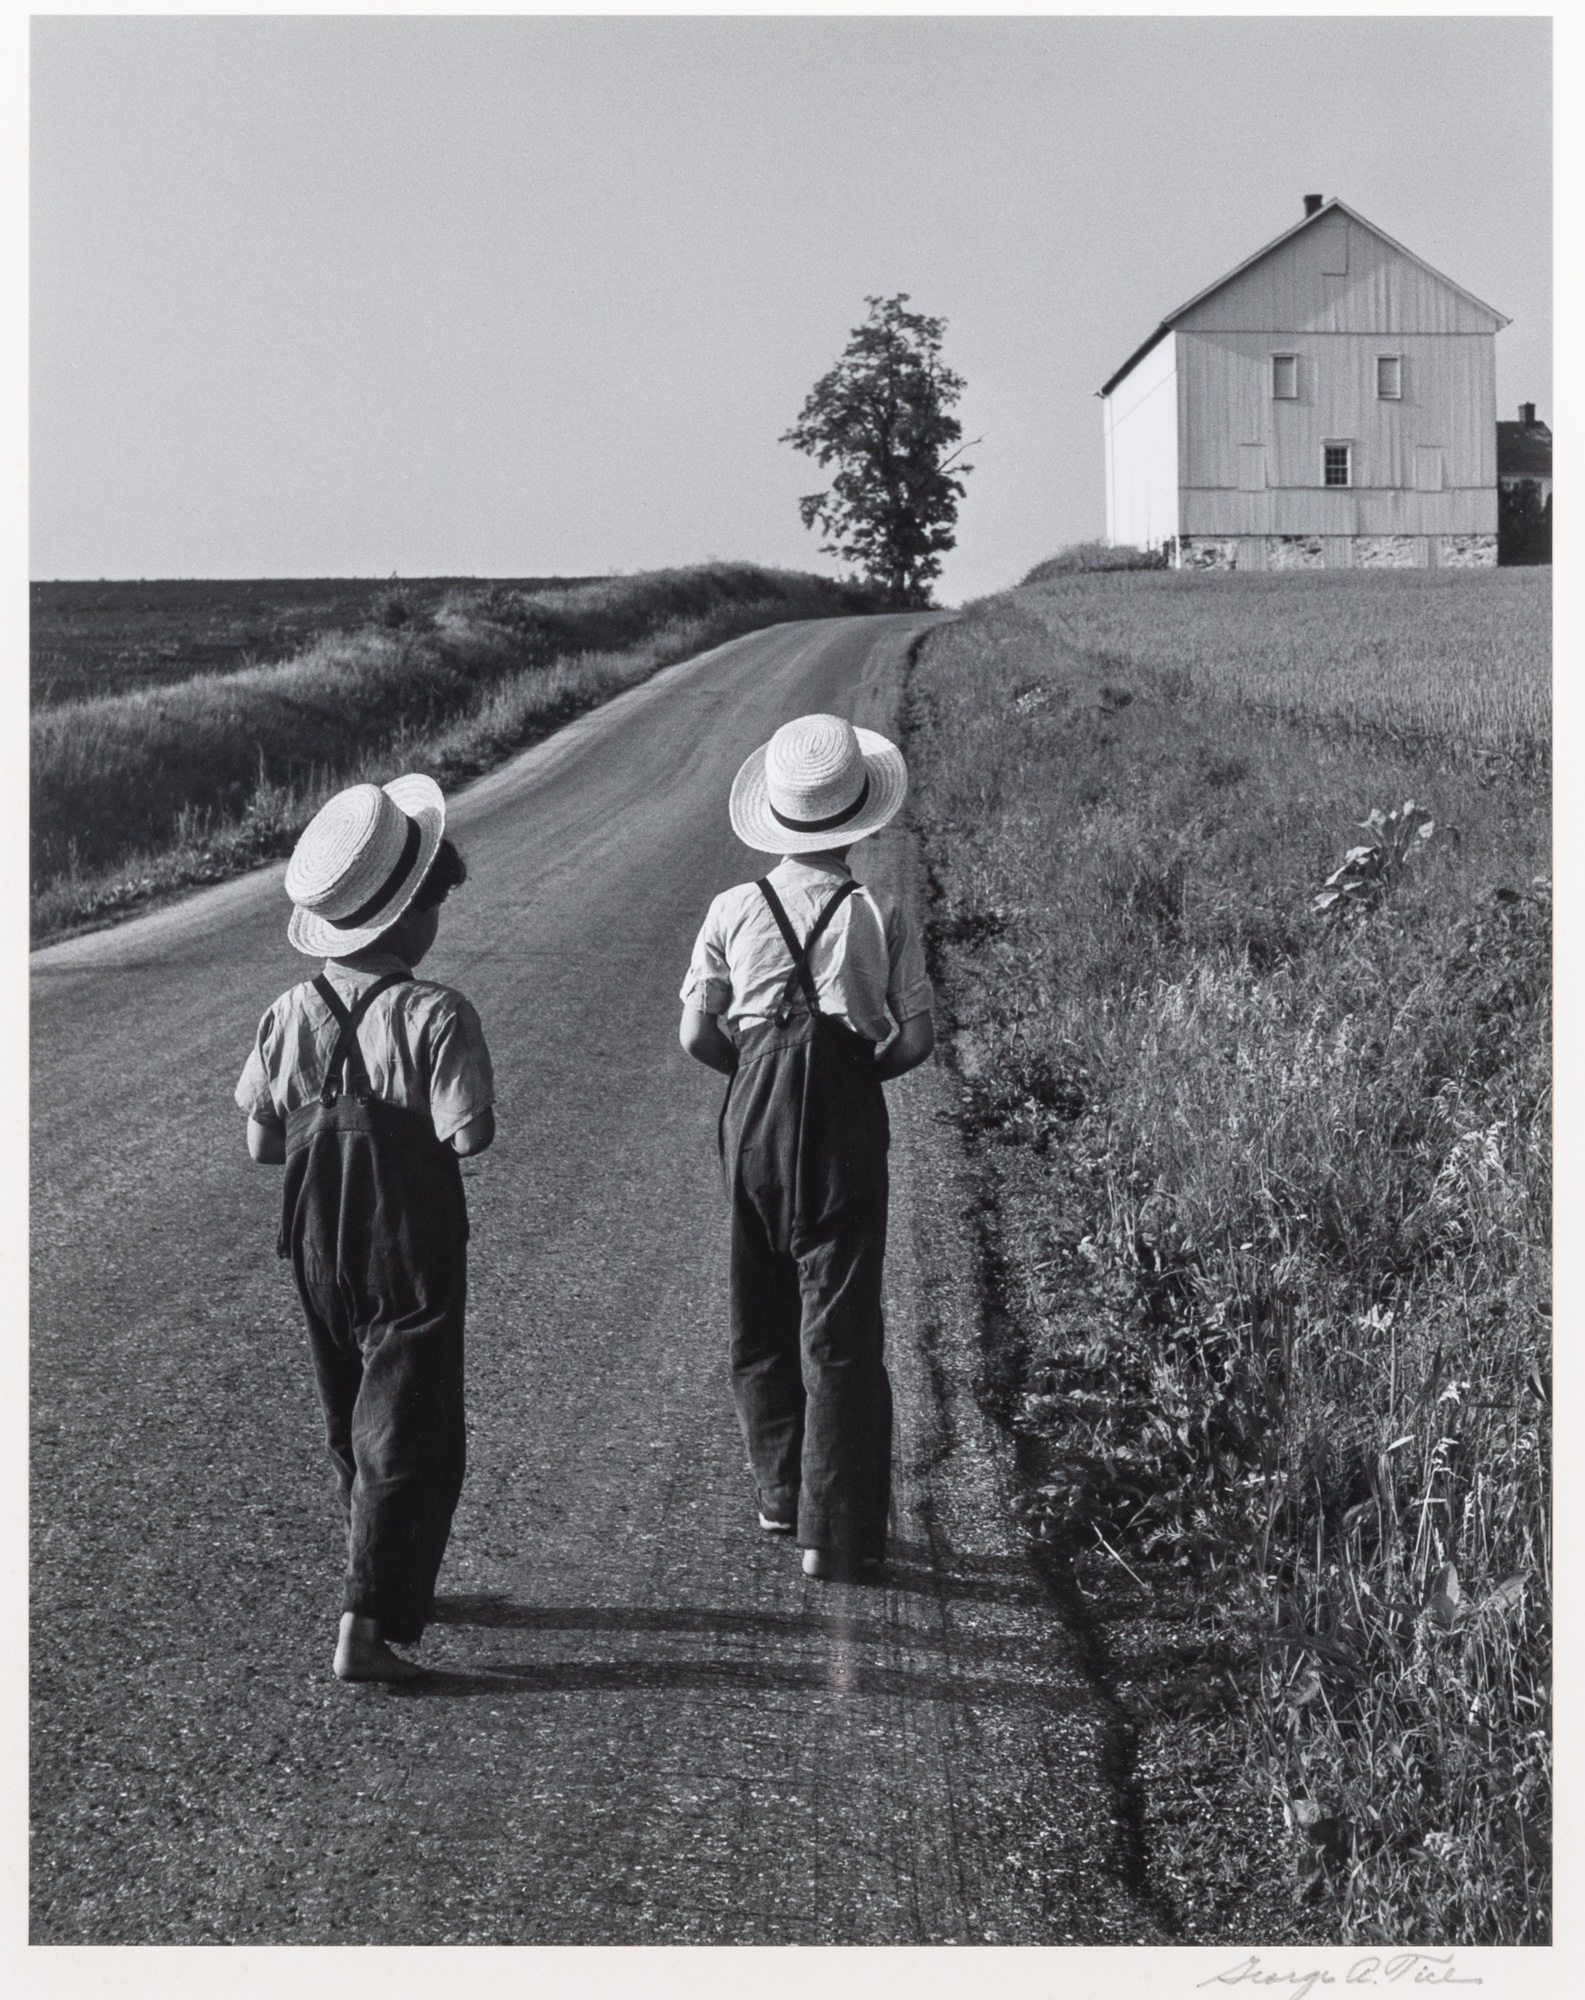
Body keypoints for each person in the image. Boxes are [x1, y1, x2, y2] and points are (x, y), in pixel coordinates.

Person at [236, 775, 495, 1682]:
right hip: (408, 1246)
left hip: (315, 1242)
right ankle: (367, 1627)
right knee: (411, 1428)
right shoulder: (436, 1013)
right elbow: (469, 1136)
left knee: (350, 1415)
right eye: (435, 903)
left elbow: (263, 1142)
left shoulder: (287, 1013)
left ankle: (388, 1571)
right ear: (405, 918)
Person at [679, 713, 935, 1582]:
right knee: (842, 1320)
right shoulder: (878, 907)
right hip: (846, 1113)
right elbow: (915, 1041)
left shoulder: (728, 906)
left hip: (752, 1110)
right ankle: (834, 1528)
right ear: (861, 817)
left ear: (777, 819)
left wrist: (753, 1075)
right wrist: (860, 1082)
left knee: (758, 1306)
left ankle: (778, 1491)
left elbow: (694, 1036)